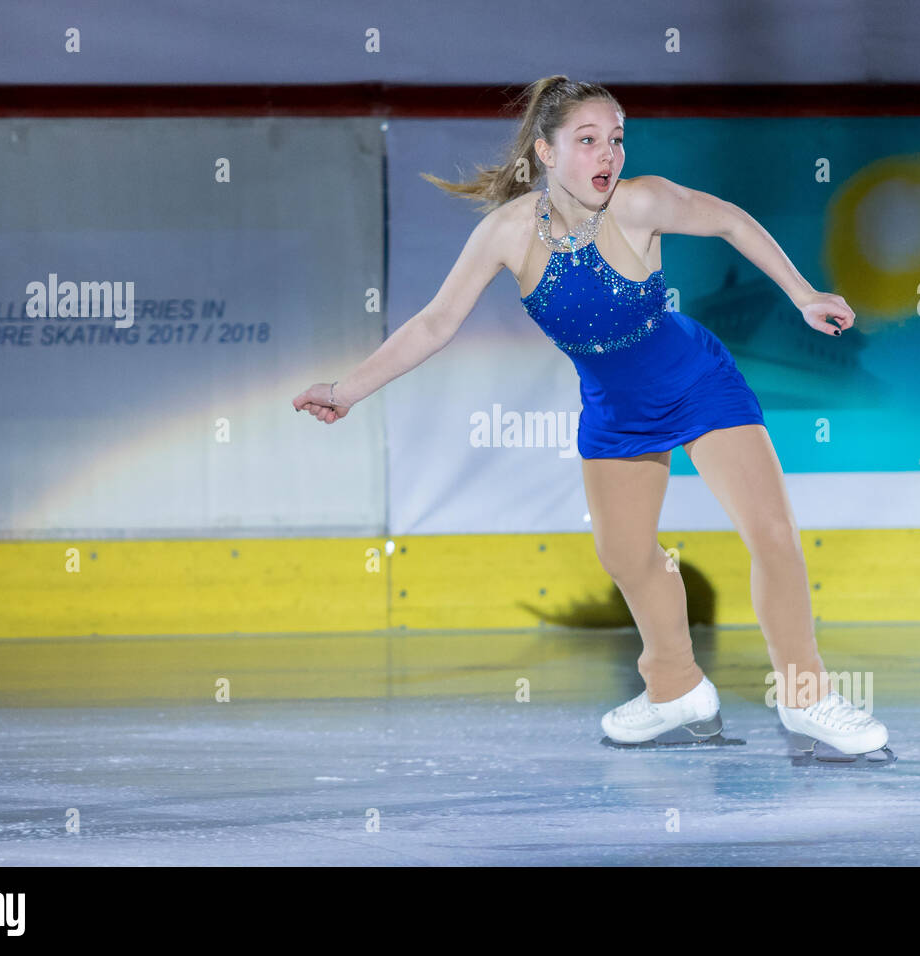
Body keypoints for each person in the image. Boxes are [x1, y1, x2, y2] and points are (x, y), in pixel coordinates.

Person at [294, 75, 889, 756]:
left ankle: (806, 695)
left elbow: (727, 218)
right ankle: (674, 687)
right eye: (588, 141)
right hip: (616, 409)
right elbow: (433, 324)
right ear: (546, 153)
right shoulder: (508, 234)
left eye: (616, 139)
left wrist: (804, 294)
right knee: (626, 555)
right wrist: (346, 391)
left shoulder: (640, 204)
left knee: (772, 532)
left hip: (697, 384)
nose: (608, 154)